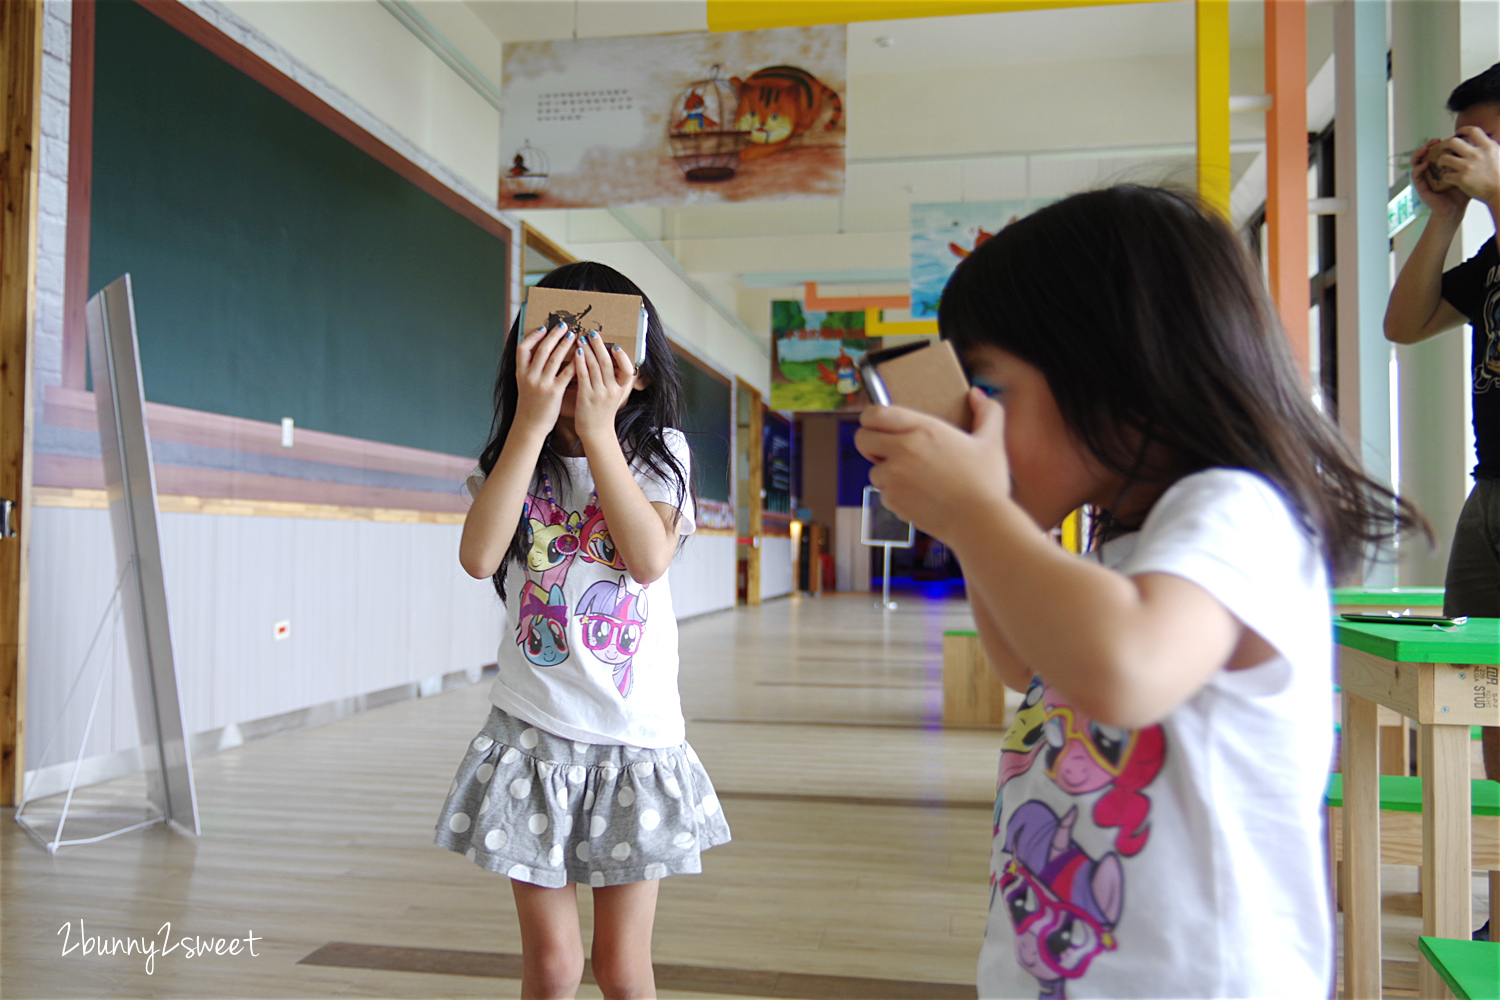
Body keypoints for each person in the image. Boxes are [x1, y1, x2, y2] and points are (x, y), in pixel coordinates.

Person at [855, 185, 1424, 998]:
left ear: (1119, 371)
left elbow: (1123, 669)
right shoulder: (1129, 537)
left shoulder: (1237, 509)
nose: (975, 420)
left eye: (992, 389)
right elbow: (1026, 663)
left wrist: (977, 509)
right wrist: (981, 520)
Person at [434, 261, 730, 999]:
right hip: (532, 738)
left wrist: (600, 433)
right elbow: (477, 558)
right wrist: (533, 424)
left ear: (638, 373)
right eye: (559, 361)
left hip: (635, 742)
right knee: (555, 966)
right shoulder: (514, 463)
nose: (578, 379)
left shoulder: (662, 459)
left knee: (622, 969)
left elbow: (647, 558)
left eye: (602, 360)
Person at [1384, 64, 1500, 941]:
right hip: (1488, 492)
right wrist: (1447, 215)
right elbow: (1404, 320)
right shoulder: (1491, 251)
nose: (1473, 152)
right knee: (1489, 707)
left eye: (1488, 137)